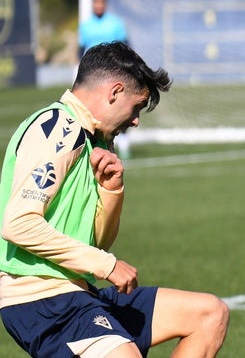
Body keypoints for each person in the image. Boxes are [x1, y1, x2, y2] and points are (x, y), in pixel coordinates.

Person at [0, 42, 229, 357]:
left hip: (76, 293)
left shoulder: (94, 140)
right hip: (38, 297)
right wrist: (105, 265)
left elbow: (98, 242)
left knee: (208, 314)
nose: (135, 120)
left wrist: (112, 190)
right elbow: (18, 224)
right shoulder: (59, 127)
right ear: (115, 91)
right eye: (136, 107)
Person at [79, 0, 132, 158]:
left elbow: (125, 46)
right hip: (92, 76)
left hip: (113, 73)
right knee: (91, 109)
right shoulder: (86, 25)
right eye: (96, 3)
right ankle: (89, 145)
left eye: (101, 3)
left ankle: (123, 145)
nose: (98, 6)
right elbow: (80, 48)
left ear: (105, 4)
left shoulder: (115, 24)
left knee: (118, 107)